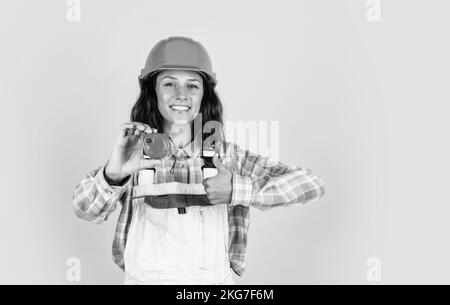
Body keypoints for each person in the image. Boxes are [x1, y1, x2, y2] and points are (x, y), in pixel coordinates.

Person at [72, 36, 326, 285]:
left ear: (205, 95)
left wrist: (238, 189)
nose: (181, 94)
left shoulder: (225, 158)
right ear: (153, 92)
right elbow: (85, 209)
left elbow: (312, 184)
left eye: (192, 85)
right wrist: (113, 175)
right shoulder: (136, 157)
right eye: (169, 84)